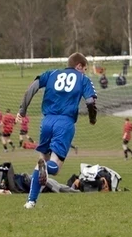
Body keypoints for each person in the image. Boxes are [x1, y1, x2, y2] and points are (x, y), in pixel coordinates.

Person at [18, 52, 98, 210]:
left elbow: (31, 88)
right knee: (55, 166)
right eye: (85, 68)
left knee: (42, 161)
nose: (85, 72)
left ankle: (30, 202)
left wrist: (22, 111)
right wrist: (92, 118)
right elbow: (90, 101)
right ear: (79, 66)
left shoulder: (51, 73)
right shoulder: (83, 79)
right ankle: (46, 168)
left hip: (47, 121)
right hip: (65, 122)